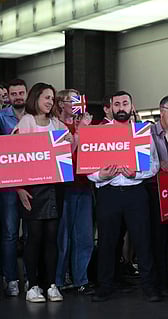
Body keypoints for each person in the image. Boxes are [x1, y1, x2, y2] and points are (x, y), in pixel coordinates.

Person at [87, 91, 160, 302]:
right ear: (110, 107)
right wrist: (100, 175)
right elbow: (87, 167)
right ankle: (104, 286)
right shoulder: (98, 133)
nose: (121, 107)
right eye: (116, 104)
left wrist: (136, 173)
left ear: (131, 106)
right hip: (108, 193)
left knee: (143, 241)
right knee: (107, 242)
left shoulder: (142, 132)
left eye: (125, 103)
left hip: (135, 193)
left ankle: (149, 287)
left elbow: (154, 164)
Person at [13, 82, 71, 303]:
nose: (49, 102)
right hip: (32, 189)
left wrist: (69, 140)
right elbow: (14, 158)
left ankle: (51, 284)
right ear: (36, 98)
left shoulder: (57, 124)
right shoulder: (25, 122)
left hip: (55, 188)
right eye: (46, 97)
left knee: (51, 239)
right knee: (34, 238)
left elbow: (68, 153)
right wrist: (19, 189)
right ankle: (33, 284)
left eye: (52, 98)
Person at [54, 89, 95, 295]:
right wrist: (80, 132)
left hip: (84, 184)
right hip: (64, 186)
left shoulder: (84, 124)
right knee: (63, 237)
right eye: (72, 100)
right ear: (61, 103)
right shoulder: (56, 125)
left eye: (79, 100)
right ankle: (58, 280)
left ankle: (81, 278)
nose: (77, 104)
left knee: (85, 236)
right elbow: (64, 154)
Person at [148, 94, 168, 296]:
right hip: (154, 190)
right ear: (161, 111)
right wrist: (159, 165)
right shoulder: (148, 132)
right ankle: (158, 281)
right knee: (157, 238)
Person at [0, 79, 27, 297]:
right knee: (9, 234)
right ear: (7, 96)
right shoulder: (1, 118)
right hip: (8, 186)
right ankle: (11, 279)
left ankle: (30, 277)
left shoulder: (34, 117)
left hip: (33, 183)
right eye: (14, 93)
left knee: (30, 234)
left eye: (21, 92)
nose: (18, 96)